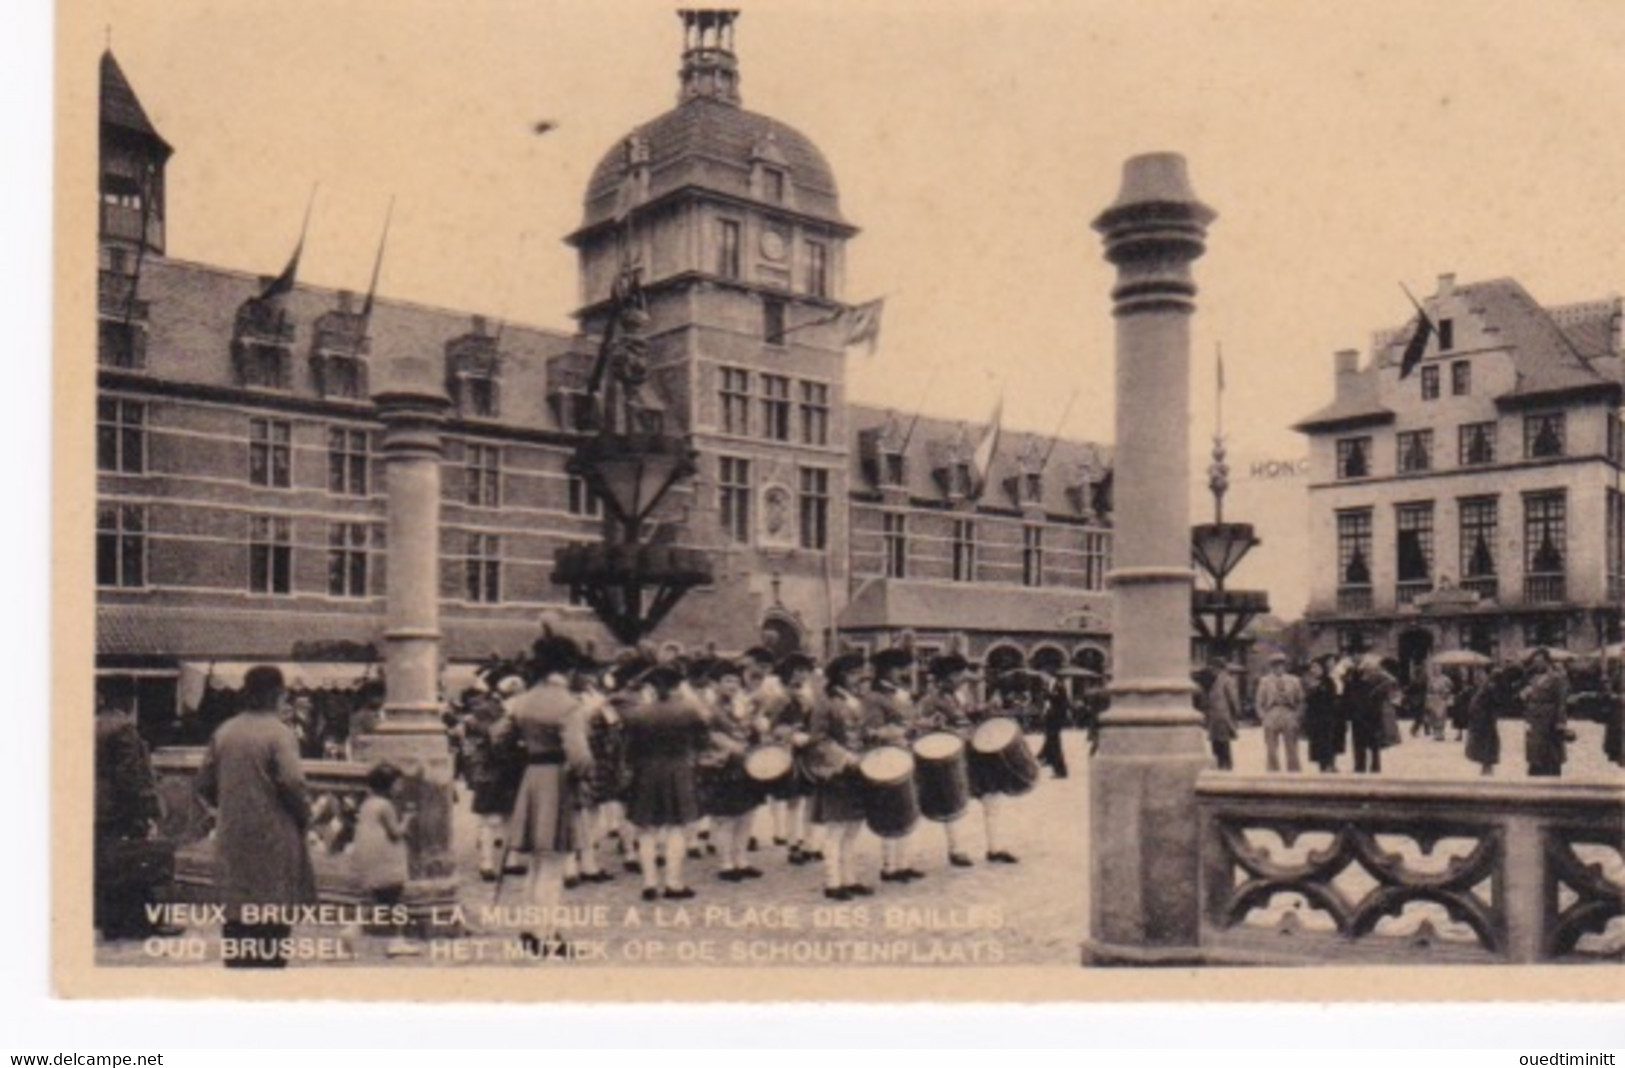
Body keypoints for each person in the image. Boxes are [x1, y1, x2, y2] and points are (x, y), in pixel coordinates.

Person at [196, 665, 316, 968]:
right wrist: (305, 815)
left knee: (236, 917)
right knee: (271, 919)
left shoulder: (225, 731)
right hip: (273, 838)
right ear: (279, 694)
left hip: (233, 836)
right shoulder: (279, 733)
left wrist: (229, 806)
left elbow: (203, 783)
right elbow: (293, 783)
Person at [504, 634, 595, 956]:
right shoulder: (568, 704)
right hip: (557, 781)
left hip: (532, 778)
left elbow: (501, 735)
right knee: (554, 864)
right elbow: (580, 756)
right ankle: (547, 936)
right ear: (568, 668)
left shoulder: (524, 700)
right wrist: (582, 776)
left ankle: (530, 930)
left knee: (537, 863)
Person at [94, 680, 179, 941]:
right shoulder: (123, 728)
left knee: (109, 864)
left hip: (99, 807)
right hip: (121, 808)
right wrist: (146, 809)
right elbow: (130, 775)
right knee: (135, 862)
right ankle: (140, 923)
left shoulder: (94, 724)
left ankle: (111, 923)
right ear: (128, 699)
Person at [622, 663, 710, 901]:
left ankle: (649, 883)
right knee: (676, 829)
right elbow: (703, 742)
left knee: (646, 829)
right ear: (676, 686)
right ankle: (673, 883)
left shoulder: (638, 713)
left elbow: (628, 751)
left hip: (646, 772)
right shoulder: (690, 711)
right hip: (679, 770)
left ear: (652, 687)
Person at [808, 651, 874, 900]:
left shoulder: (856, 701)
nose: (859, 678)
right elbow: (819, 739)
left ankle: (851, 879)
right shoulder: (825, 703)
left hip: (858, 772)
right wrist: (845, 757)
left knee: (852, 829)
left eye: (860, 673)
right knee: (835, 830)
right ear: (840, 676)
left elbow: (863, 732)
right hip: (836, 772)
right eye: (854, 673)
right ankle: (832, 882)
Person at [701, 660, 765, 883]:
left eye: (736, 680)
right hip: (722, 765)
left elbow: (751, 730)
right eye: (727, 680)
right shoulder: (710, 707)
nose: (733, 685)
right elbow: (707, 735)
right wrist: (729, 745)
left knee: (747, 814)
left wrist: (757, 728)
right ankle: (725, 863)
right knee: (725, 817)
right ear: (716, 684)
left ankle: (742, 859)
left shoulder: (743, 704)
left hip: (745, 764)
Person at [863, 647, 922, 884]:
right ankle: (889, 867)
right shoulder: (874, 697)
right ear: (886, 671)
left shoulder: (900, 693)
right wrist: (903, 730)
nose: (905, 673)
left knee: (907, 807)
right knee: (890, 811)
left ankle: (904, 863)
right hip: (886, 756)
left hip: (903, 753)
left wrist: (921, 723)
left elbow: (909, 720)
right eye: (900, 668)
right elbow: (874, 731)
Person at [350, 762, 420, 957]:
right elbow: (396, 833)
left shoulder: (367, 803)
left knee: (377, 900)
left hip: (370, 860)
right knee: (396, 901)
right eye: (398, 784)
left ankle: (352, 930)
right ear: (388, 785)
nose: (401, 787)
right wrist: (408, 819)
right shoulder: (385, 806)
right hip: (386, 861)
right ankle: (397, 940)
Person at [1519, 647, 1569, 778]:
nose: (1536, 664)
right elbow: (1528, 697)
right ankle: (1536, 773)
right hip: (1534, 720)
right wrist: (1525, 695)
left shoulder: (1557, 678)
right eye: (1535, 661)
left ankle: (1552, 774)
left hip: (1549, 719)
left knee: (1551, 751)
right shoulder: (1534, 679)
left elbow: (1561, 701)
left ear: (1547, 661)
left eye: (1539, 661)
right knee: (1535, 750)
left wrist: (1560, 722)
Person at [1255, 652, 1305, 772]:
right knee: (1271, 746)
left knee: (1291, 746)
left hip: (1289, 712)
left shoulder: (1294, 680)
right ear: (1271, 667)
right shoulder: (1264, 681)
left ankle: (1294, 772)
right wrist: (1263, 717)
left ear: (1285, 666)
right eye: (1275, 665)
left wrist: (1297, 716)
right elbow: (1258, 701)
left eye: (1281, 665)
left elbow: (1301, 700)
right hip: (1272, 712)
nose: (1278, 668)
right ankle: (1273, 771)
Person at [1349, 655, 1399, 774]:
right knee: (1360, 742)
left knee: (1373, 742)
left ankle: (1373, 766)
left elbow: (1392, 681)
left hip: (1372, 713)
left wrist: (1379, 689)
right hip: (1360, 713)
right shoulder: (1356, 677)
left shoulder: (1378, 678)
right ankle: (1360, 766)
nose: (1369, 669)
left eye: (1371, 667)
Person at [1302, 656, 1345, 773]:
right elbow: (1306, 700)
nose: (1313, 670)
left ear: (1322, 668)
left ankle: (1330, 763)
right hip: (1315, 718)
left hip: (1328, 717)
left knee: (1329, 741)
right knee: (1318, 742)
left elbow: (1333, 699)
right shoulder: (1309, 682)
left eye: (1316, 667)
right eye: (1312, 668)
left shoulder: (1328, 681)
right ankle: (1323, 765)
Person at [1463, 665, 1503, 776]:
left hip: (1486, 720)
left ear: (1486, 675)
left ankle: (1487, 767)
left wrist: (1490, 717)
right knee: (1481, 744)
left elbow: (1495, 703)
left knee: (1487, 744)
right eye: (1476, 674)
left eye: (1480, 673)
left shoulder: (1490, 687)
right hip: (1479, 720)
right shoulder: (1481, 687)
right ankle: (1485, 767)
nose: (1477, 676)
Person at [1203, 658, 1241, 771]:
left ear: (1218, 668)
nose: (1211, 671)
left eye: (1213, 668)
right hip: (1215, 718)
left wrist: (1236, 713)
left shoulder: (1227, 680)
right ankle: (1220, 767)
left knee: (1223, 744)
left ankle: (1226, 768)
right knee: (1216, 744)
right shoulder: (1215, 680)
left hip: (1223, 717)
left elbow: (1233, 698)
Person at [1036, 678, 1071, 779]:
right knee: (1051, 743)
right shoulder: (1050, 685)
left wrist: (1048, 695)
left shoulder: (1059, 686)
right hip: (1050, 719)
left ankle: (1060, 770)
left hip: (1055, 719)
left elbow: (1063, 702)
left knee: (1054, 744)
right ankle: (1047, 759)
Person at [1423, 663, 1454, 741]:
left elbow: (1451, 687)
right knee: (1434, 716)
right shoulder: (1431, 679)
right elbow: (1428, 690)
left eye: (1438, 668)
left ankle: (1441, 733)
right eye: (1435, 669)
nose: (1437, 670)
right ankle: (1436, 732)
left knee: (1442, 716)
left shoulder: (1446, 679)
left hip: (1442, 699)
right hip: (1434, 699)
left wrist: (1446, 691)